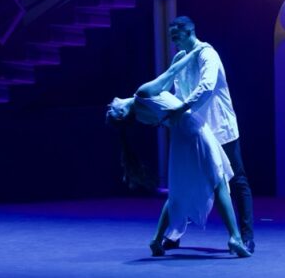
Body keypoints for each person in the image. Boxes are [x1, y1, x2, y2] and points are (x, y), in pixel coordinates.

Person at [106, 45, 251, 258]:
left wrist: (177, 62)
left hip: (181, 139)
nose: (112, 103)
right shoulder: (142, 94)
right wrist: (196, 52)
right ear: (121, 113)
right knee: (219, 180)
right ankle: (235, 238)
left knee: (178, 191)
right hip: (194, 131)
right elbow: (170, 75)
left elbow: (165, 82)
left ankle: (156, 240)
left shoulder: (140, 114)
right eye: (111, 108)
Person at [166, 16, 256, 255]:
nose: (173, 40)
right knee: (184, 180)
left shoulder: (208, 54)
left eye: (176, 35)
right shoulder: (179, 59)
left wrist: (182, 108)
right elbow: (177, 90)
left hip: (219, 126)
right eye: (172, 36)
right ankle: (174, 234)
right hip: (195, 129)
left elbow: (206, 87)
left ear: (188, 32)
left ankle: (246, 237)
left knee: (236, 180)